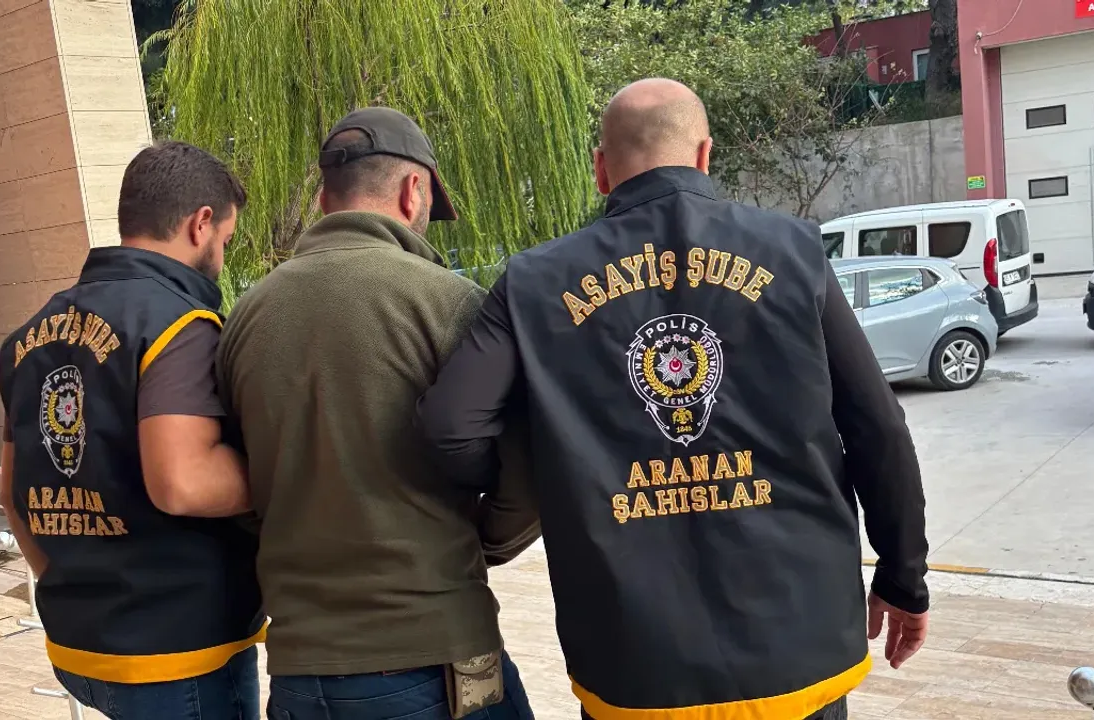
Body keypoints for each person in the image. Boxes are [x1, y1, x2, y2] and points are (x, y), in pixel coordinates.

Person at [417, 78, 931, 720]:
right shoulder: (795, 252)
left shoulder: (534, 280)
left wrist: (545, 478)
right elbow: (879, 427)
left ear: (601, 169)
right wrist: (903, 577)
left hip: (635, 656)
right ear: (704, 154)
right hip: (795, 642)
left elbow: (450, 426)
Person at [215, 107, 537, 720]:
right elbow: (529, 473)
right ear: (414, 190)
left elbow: (238, 481)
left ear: (323, 199)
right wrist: (484, 543)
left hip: (300, 670)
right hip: (433, 655)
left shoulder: (246, 317)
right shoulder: (451, 302)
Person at [0, 141, 264, 719]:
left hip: (78, 643)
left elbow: (11, 496)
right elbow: (184, 483)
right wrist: (292, 471)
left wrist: (68, 586)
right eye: (225, 240)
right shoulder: (179, 323)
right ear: (201, 223)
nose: (221, 257)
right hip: (179, 650)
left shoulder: (25, 338)